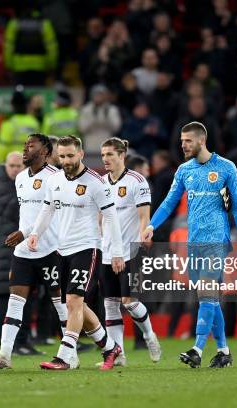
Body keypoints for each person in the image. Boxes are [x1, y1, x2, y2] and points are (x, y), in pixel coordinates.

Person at [142, 121, 237, 369]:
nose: (183, 145)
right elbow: (170, 203)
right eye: (182, 141)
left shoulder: (225, 168)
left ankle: (197, 349)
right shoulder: (183, 171)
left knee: (205, 293)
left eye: (188, 141)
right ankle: (223, 351)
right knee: (209, 298)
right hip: (194, 243)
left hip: (216, 240)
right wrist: (151, 226)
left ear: (201, 140)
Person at [28, 135, 124, 370]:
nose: (66, 160)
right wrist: (35, 233)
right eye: (61, 156)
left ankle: (66, 355)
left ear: (81, 154)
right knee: (77, 305)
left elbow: (111, 217)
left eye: (70, 155)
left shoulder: (96, 183)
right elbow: (47, 209)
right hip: (62, 250)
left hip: (88, 247)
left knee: (74, 300)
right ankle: (109, 347)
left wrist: (118, 252)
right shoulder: (54, 180)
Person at [0, 134, 69, 369]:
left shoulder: (56, 178)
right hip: (24, 252)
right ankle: (4, 355)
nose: (25, 149)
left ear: (46, 152)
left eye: (31, 146)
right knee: (15, 302)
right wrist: (24, 235)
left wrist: (25, 232)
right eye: (25, 145)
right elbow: (28, 213)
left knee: (61, 304)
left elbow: (51, 213)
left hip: (50, 249)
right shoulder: (19, 179)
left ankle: (72, 353)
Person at [99, 137, 161, 366]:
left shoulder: (137, 181)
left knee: (129, 301)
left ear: (121, 155)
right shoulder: (100, 182)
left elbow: (144, 214)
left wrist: (143, 237)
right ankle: (119, 355)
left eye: (110, 155)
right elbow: (99, 217)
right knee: (110, 304)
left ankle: (148, 335)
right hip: (107, 250)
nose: (105, 159)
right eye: (103, 155)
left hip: (131, 250)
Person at [0, 87, 40, 164]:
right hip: (30, 163)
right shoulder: (34, 122)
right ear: (26, 105)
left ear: (13, 106)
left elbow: (2, 146)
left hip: (13, 164)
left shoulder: (8, 124)